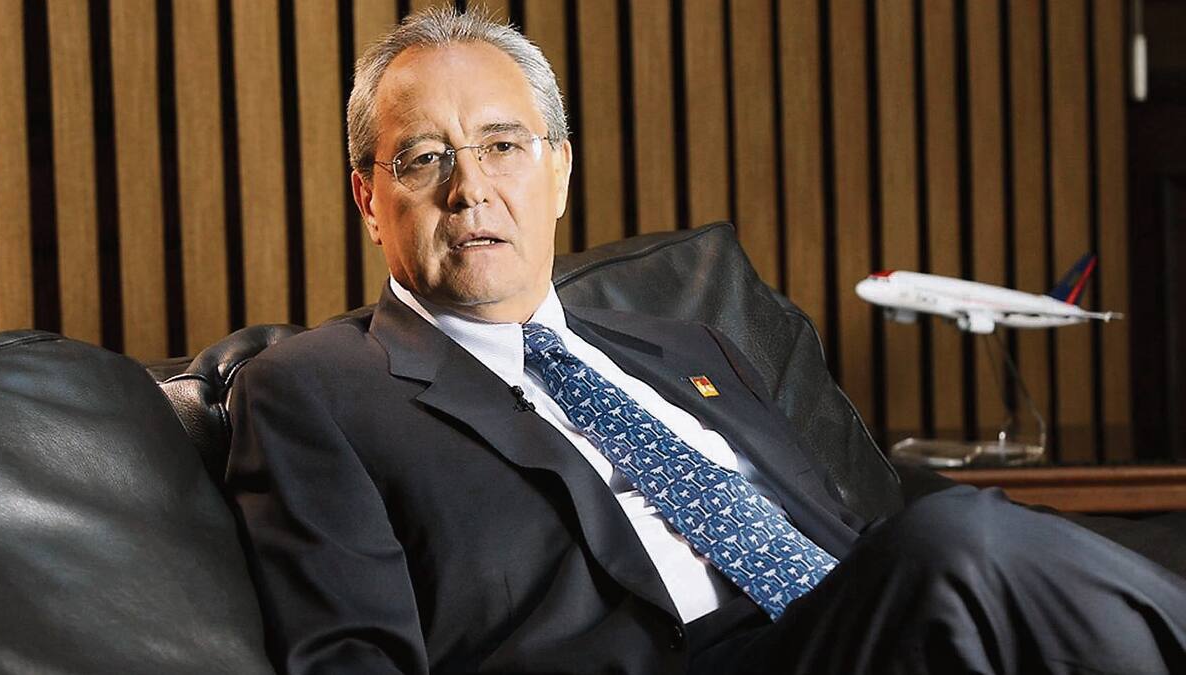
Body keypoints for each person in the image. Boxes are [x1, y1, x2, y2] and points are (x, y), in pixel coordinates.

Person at [226, 7, 1186, 674]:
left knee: (976, 563)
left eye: (503, 145)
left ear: (559, 173)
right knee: (960, 539)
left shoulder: (689, 347)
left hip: (861, 630)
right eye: (425, 157)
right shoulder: (312, 390)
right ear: (369, 198)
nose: (470, 187)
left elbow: (849, 540)